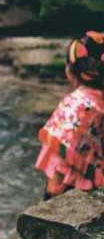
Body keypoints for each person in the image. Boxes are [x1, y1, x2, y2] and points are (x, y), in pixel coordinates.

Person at [35, 30, 104, 200]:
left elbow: (59, 155)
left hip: (67, 188)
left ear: (71, 73)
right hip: (95, 185)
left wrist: (49, 200)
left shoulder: (72, 104)